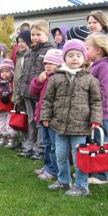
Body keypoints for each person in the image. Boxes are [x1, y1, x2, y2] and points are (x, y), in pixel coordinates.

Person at [41, 39, 102, 197]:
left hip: (80, 127)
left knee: (79, 157)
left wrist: (95, 120)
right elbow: (48, 100)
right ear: (64, 58)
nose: (74, 58)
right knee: (60, 155)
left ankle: (81, 185)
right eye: (70, 55)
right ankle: (63, 180)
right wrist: (45, 116)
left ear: (84, 58)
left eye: (78, 55)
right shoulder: (56, 78)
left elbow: (96, 102)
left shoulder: (90, 79)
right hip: (59, 125)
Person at [85, 32, 108, 184]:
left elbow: (103, 93)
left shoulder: (104, 67)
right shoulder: (95, 65)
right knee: (92, 143)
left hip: (101, 113)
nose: (84, 51)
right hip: (91, 112)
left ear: (98, 50)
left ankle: (102, 175)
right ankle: (90, 172)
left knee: (99, 144)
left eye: (87, 48)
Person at [17, 20, 54, 160]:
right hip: (28, 92)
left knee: (39, 121)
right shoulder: (29, 52)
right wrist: (21, 90)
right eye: (33, 34)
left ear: (47, 34)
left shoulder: (50, 51)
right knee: (31, 120)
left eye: (39, 34)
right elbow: (24, 73)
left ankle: (40, 147)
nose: (35, 37)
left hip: (42, 93)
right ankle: (29, 145)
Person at [30, 49, 64, 180]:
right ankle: (48, 166)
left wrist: (49, 117)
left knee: (54, 145)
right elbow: (33, 92)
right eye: (46, 63)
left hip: (52, 118)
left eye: (51, 63)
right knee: (47, 144)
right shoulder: (44, 77)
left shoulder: (58, 79)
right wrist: (39, 81)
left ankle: (53, 170)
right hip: (42, 116)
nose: (48, 66)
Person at [10, 29, 32, 150]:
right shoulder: (19, 58)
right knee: (21, 118)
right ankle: (23, 141)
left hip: (25, 93)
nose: (20, 44)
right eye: (18, 41)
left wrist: (21, 93)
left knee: (28, 119)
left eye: (23, 41)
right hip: (18, 93)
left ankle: (28, 142)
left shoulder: (29, 58)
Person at [0, 59, 15, 148]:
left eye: (7, 71)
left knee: (9, 124)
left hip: (10, 108)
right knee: (2, 124)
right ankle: (2, 138)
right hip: (0, 108)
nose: (4, 74)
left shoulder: (13, 84)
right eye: (2, 71)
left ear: (11, 72)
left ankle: (11, 139)